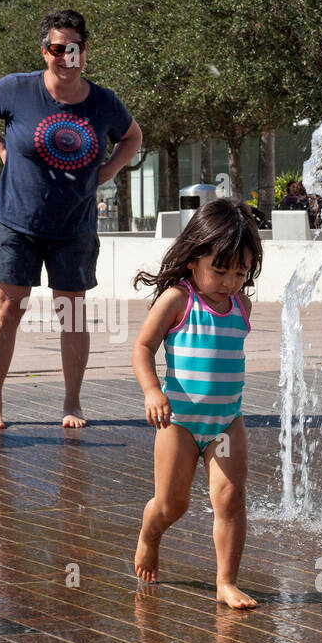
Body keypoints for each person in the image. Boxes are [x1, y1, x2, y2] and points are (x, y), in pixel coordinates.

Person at [0, 9, 143, 429]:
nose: (65, 56)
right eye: (57, 49)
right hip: (16, 221)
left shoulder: (103, 102)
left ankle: (72, 403)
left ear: (84, 51)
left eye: (73, 48)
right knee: (8, 309)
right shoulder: (17, 90)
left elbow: (133, 137)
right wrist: (0, 147)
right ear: (45, 52)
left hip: (74, 225)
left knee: (73, 312)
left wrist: (108, 171)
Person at [129, 197, 263, 610]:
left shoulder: (242, 305)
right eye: (220, 271)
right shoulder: (178, 300)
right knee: (174, 503)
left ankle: (226, 581)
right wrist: (153, 391)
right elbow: (142, 347)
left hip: (227, 422)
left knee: (231, 499)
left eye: (240, 272)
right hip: (181, 423)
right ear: (192, 259)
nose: (230, 282)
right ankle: (151, 534)